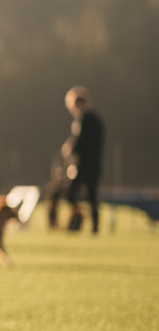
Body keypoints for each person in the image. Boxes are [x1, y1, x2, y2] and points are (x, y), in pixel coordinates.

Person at [61, 86, 105, 234]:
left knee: (71, 192)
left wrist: (71, 147)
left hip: (84, 164)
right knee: (91, 196)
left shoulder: (85, 120)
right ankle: (93, 225)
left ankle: (82, 217)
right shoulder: (95, 119)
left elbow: (82, 141)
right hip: (93, 164)